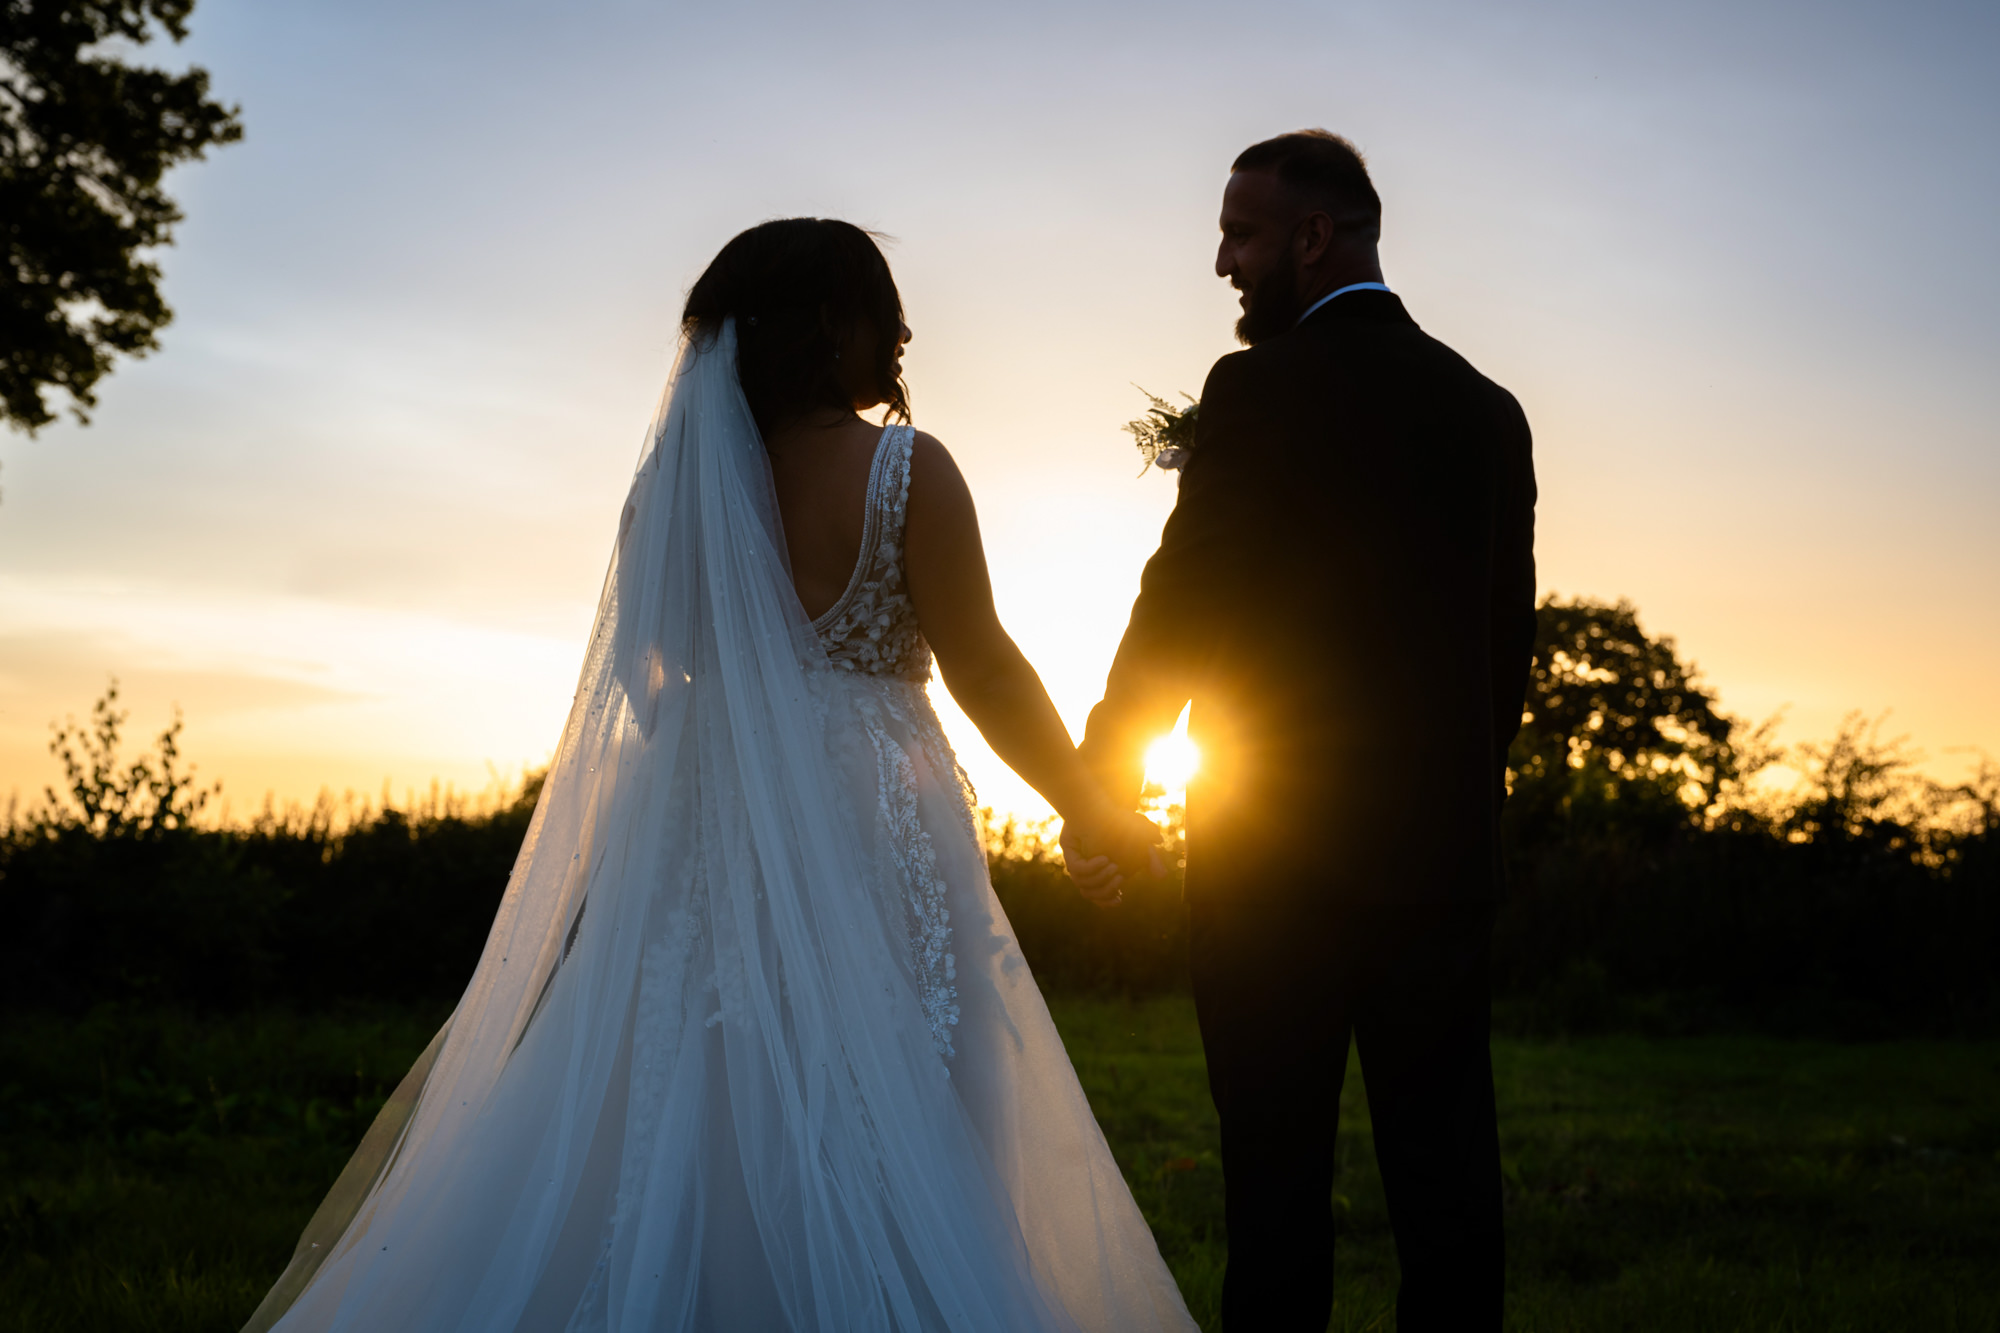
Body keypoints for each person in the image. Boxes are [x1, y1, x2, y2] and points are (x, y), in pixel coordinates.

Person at [242, 218, 1195, 1333]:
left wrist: (736, 733)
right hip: (874, 815)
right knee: (914, 1076)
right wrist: (1089, 808)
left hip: (707, 810)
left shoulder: (675, 489)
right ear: (834, 324)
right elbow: (982, 663)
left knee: (695, 1078)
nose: (901, 334)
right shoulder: (905, 470)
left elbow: (645, 671)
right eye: (882, 308)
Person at [1065, 131, 1538, 1331]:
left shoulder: (1255, 391)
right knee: (1448, 1194)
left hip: (1270, 864)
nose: (1222, 262)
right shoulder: (1488, 410)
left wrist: (1104, 771)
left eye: (1240, 233)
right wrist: (1456, 804)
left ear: (1313, 237)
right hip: (1440, 865)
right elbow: (1501, 651)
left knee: (1274, 1197)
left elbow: (1183, 596)